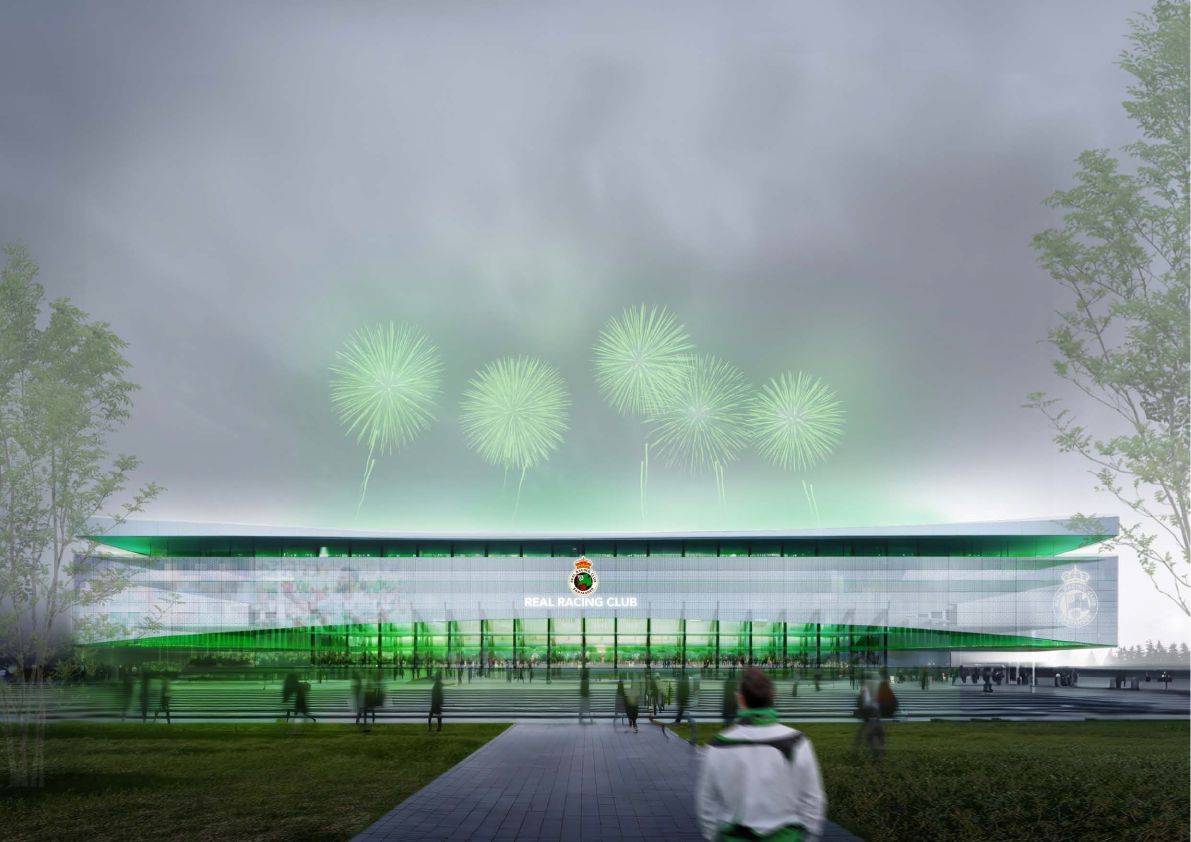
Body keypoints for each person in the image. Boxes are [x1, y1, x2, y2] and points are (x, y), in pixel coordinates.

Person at [696, 667, 825, 842]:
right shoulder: (797, 742)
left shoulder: (717, 745)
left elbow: (707, 802)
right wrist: (808, 835)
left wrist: (713, 835)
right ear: (773, 697)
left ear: (740, 699)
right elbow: (813, 799)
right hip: (786, 837)